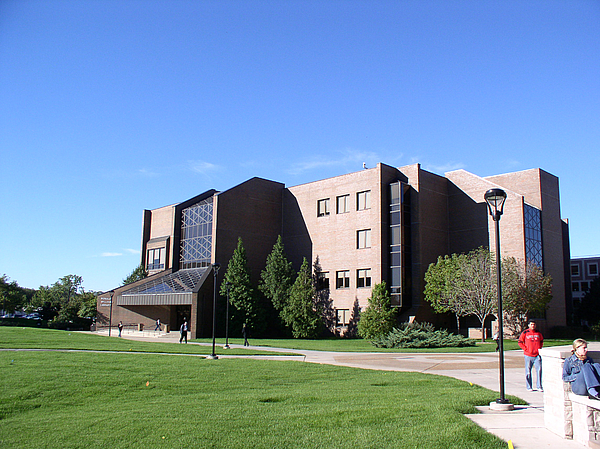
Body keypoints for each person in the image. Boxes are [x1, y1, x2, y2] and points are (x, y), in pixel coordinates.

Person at [518, 320, 544, 391]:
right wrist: (525, 349)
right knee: (528, 371)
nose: (533, 326)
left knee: (539, 370)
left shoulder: (538, 333)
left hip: (537, 355)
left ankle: (539, 386)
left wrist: (539, 349)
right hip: (528, 355)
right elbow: (520, 342)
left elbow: (541, 341)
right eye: (531, 324)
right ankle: (529, 387)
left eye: (534, 324)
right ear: (529, 325)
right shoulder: (525, 333)